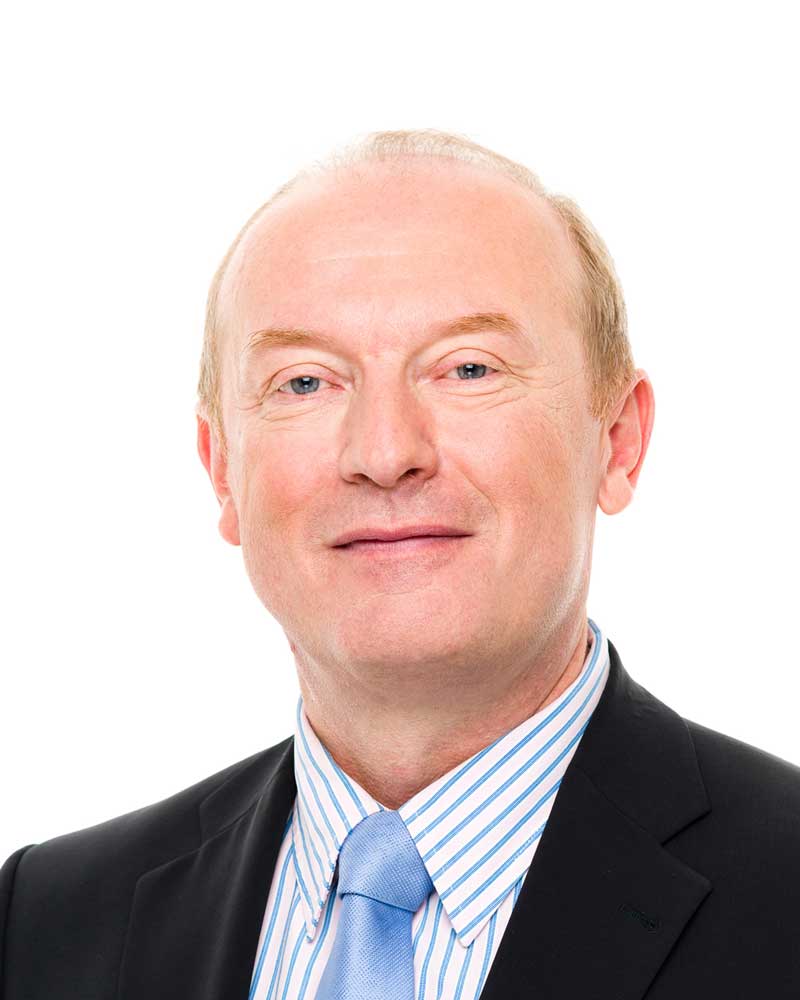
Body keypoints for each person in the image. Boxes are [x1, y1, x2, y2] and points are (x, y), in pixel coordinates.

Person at [1, 129, 798, 1000]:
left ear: (618, 441)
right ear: (222, 469)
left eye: (468, 368)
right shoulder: (45, 923)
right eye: (305, 382)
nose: (385, 454)